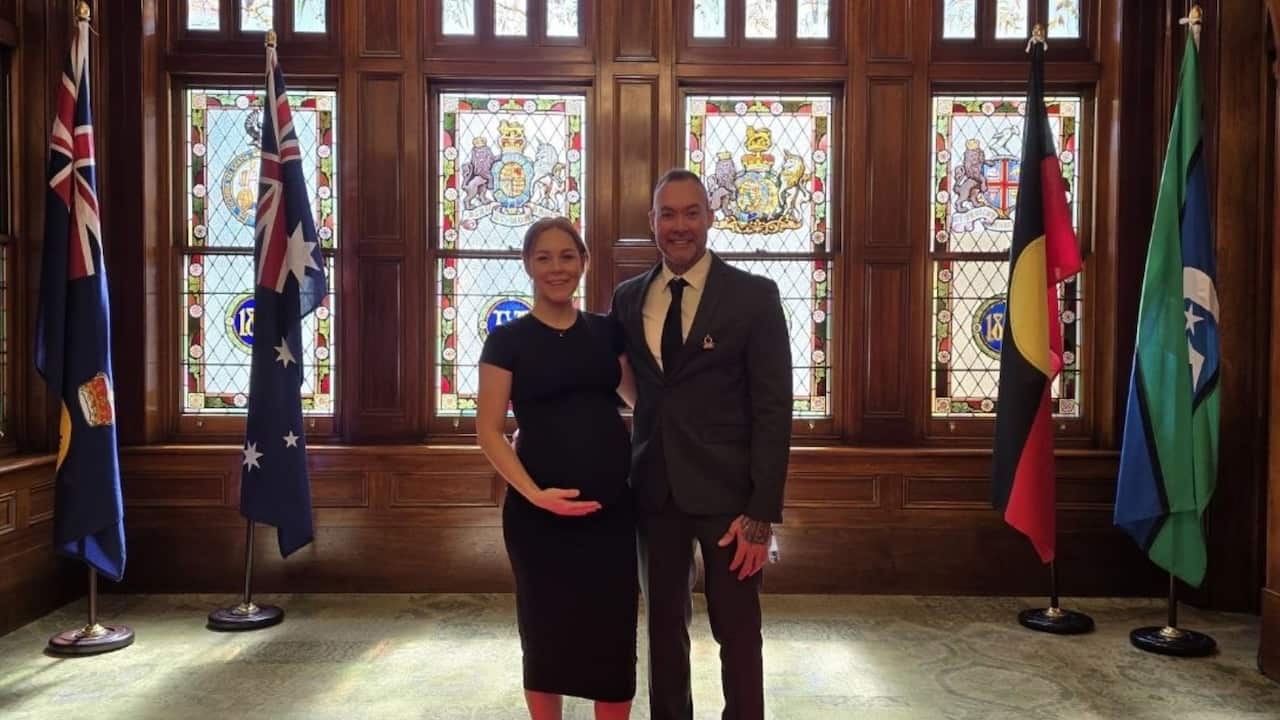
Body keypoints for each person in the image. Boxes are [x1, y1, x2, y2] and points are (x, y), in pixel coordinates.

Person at [608, 169, 792, 720]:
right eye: (668, 214)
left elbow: (773, 409)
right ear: (653, 223)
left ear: (710, 217)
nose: (680, 225)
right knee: (663, 632)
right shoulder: (627, 298)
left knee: (738, 633)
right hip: (655, 493)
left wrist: (762, 513)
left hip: (731, 501)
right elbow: (618, 378)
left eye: (691, 213)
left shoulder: (754, 296)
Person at [477, 217, 638, 720]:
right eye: (543, 257)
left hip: (612, 514)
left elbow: (639, 400)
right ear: (527, 264)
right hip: (537, 519)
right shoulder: (507, 340)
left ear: (584, 263)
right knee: (545, 635)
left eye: (567, 256)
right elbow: (488, 432)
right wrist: (534, 494)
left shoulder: (607, 332)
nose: (556, 267)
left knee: (613, 637)